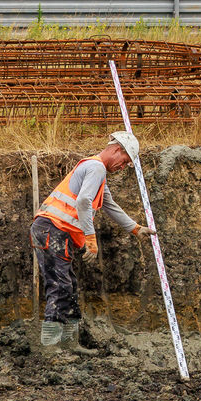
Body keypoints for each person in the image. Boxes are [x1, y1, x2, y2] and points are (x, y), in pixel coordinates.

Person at [29, 130, 153, 353]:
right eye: (124, 161)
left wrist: (134, 228)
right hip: (52, 229)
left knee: (69, 285)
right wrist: (90, 237)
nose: (122, 167)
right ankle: (50, 347)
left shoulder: (98, 173)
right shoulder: (96, 167)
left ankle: (69, 343)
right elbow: (84, 202)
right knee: (59, 285)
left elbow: (108, 204)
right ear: (116, 150)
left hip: (57, 231)